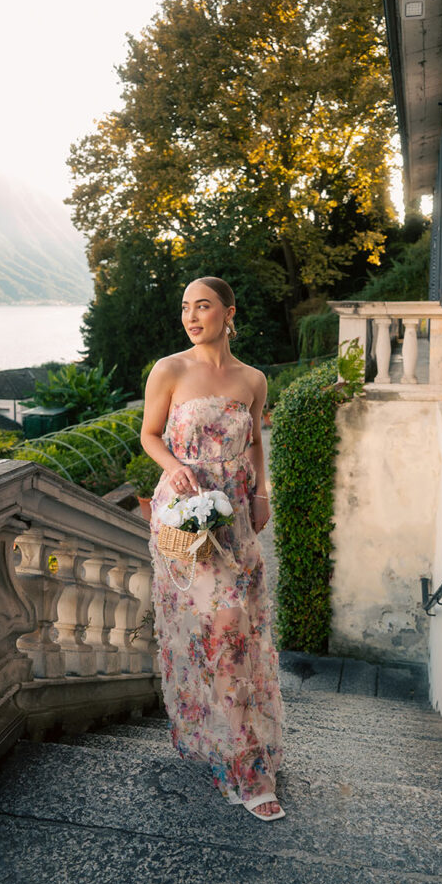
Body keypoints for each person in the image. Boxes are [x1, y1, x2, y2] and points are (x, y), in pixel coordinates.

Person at [140, 276, 285, 821]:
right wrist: (175, 467)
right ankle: (245, 771)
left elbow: (253, 443)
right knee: (213, 636)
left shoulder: (253, 379)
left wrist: (262, 493)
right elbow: (149, 434)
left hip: (238, 517)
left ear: (229, 311)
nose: (192, 316)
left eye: (203, 306)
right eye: (185, 307)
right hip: (187, 517)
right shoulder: (169, 370)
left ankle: (239, 746)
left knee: (240, 635)